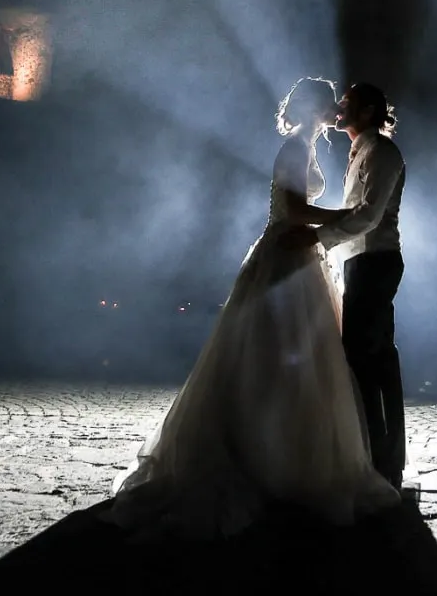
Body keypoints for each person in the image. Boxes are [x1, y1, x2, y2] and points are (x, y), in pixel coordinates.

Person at [105, 78, 399, 539]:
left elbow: (307, 210)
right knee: (274, 350)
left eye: (339, 104)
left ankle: (289, 450)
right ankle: (266, 454)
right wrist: (343, 220)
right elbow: (294, 209)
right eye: (329, 102)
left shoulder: (311, 148)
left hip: (299, 251)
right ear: (313, 109)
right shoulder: (296, 149)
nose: (335, 109)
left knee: (295, 354)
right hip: (286, 251)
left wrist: (334, 226)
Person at [315, 83, 407, 492]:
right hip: (360, 261)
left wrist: (320, 238)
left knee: (369, 361)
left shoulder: (383, 152)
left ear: (369, 111)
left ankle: (382, 460)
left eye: (347, 103)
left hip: (375, 260)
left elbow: (369, 215)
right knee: (370, 360)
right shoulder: (360, 151)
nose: (338, 107)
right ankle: (380, 455)